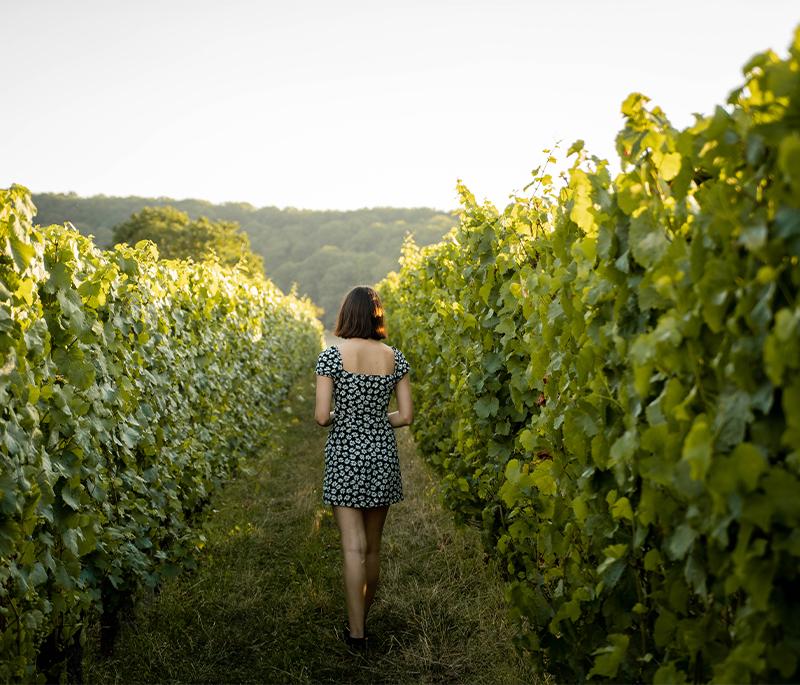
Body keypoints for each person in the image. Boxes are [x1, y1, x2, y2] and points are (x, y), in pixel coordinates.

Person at [314, 285, 413, 650]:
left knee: (352, 548)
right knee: (373, 548)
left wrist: (349, 416)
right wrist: (373, 418)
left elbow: (322, 417)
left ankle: (356, 633)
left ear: (345, 315)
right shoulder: (394, 358)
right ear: (377, 316)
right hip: (382, 453)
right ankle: (363, 618)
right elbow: (406, 416)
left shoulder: (331, 357)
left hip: (345, 455)